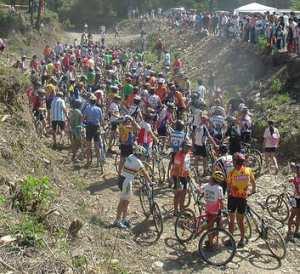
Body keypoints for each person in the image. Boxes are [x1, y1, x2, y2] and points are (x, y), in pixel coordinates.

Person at [114, 145, 152, 229]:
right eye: (142, 156)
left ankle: (123, 219)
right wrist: (150, 182)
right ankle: (117, 221)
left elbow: (133, 165)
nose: (143, 157)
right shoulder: (138, 162)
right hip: (127, 182)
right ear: (140, 154)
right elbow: (145, 173)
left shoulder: (130, 156)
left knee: (126, 201)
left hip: (122, 179)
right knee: (123, 201)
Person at [227, 153, 256, 248]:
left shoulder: (231, 172)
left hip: (233, 199)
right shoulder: (248, 170)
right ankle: (242, 239)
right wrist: (251, 192)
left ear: (235, 162)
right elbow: (253, 183)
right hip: (243, 199)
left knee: (231, 220)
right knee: (240, 221)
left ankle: (231, 239)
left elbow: (228, 187)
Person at [170, 141, 192, 216]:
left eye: (189, 147)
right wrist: (178, 181)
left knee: (184, 192)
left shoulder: (188, 154)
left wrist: (188, 175)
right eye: (186, 146)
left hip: (184, 176)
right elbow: (176, 168)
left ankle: (181, 209)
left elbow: (187, 166)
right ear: (182, 146)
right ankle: (175, 211)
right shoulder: (178, 155)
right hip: (178, 176)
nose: (188, 148)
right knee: (178, 194)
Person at [82, 94, 103, 166]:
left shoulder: (87, 108)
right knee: (97, 145)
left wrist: (84, 122)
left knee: (88, 145)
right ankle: (98, 162)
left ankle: (88, 161)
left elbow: (83, 118)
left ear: (90, 101)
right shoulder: (99, 109)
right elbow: (101, 120)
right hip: (97, 127)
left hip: (89, 127)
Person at [287, 164, 300, 242]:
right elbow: (298, 191)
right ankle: (290, 232)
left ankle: (296, 231)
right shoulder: (296, 179)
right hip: (296, 199)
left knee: (299, 216)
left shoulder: (296, 179)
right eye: (298, 169)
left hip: (297, 199)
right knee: (293, 215)